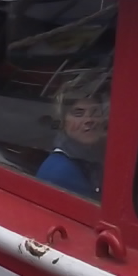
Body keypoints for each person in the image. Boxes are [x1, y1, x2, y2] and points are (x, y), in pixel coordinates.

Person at [35, 71, 109, 200]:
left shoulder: (98, 156)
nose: (89, 120)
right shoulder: (58, 173)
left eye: (95, 112)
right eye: (78, 114)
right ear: (63, 122)